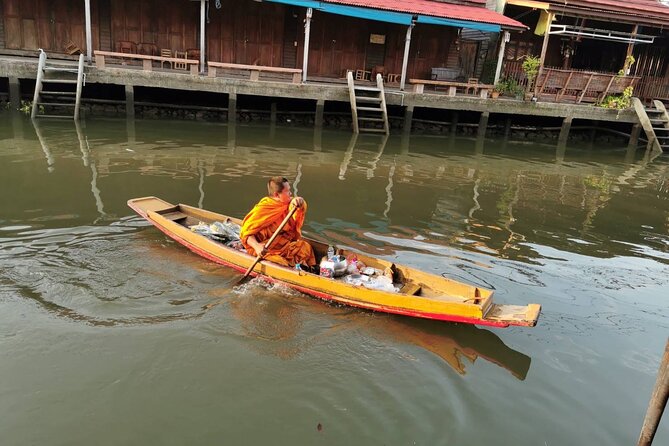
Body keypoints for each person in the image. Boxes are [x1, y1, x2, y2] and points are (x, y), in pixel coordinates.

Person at [240, 176, 316, 269]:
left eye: (290, 190)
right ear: (276, 195)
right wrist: (257, 246)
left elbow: (296, 206)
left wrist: (299, 201)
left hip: (284, 246)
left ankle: (307, 268)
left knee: (306, 247)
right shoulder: (264, 208)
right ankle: (295, 269)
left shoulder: (288, 204)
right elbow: (245, 233)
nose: (290, 193)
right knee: (280, 263)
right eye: (287, 191)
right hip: (266, 250)